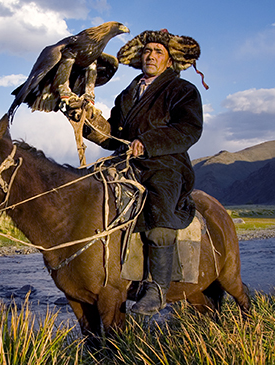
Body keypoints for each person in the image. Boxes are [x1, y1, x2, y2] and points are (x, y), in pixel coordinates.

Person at [63, 29, 205, 316]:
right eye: (147, 51)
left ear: (169, 60)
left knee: (159, 210)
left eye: (158, 52)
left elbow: (189, 130)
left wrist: (148, 142)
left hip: (165, 164)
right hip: (126, 163)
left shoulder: (183, 91)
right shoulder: (129, 92)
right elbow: (112, 134)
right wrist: (85, 119)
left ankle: (157, 288)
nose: (151, 56)